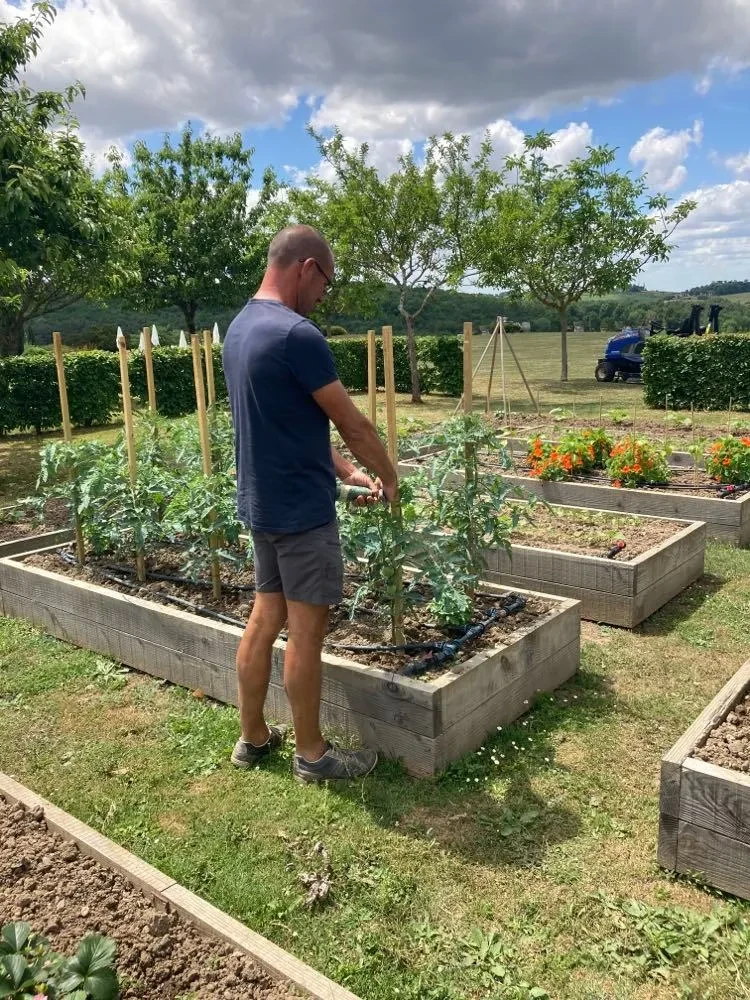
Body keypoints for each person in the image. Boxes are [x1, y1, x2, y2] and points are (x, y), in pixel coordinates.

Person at [222, 224, 399, 783]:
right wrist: (389, 477)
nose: (325, 293)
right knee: (305, 633)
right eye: (327, 280)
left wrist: (346, 473)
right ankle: (314, 755)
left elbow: (291, 425)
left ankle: (252, 738)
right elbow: (353, 423)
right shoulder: (298, 335)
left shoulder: (240, 329)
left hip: (261, 504)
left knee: (264, 615)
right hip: (301, 514)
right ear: (306, 267)